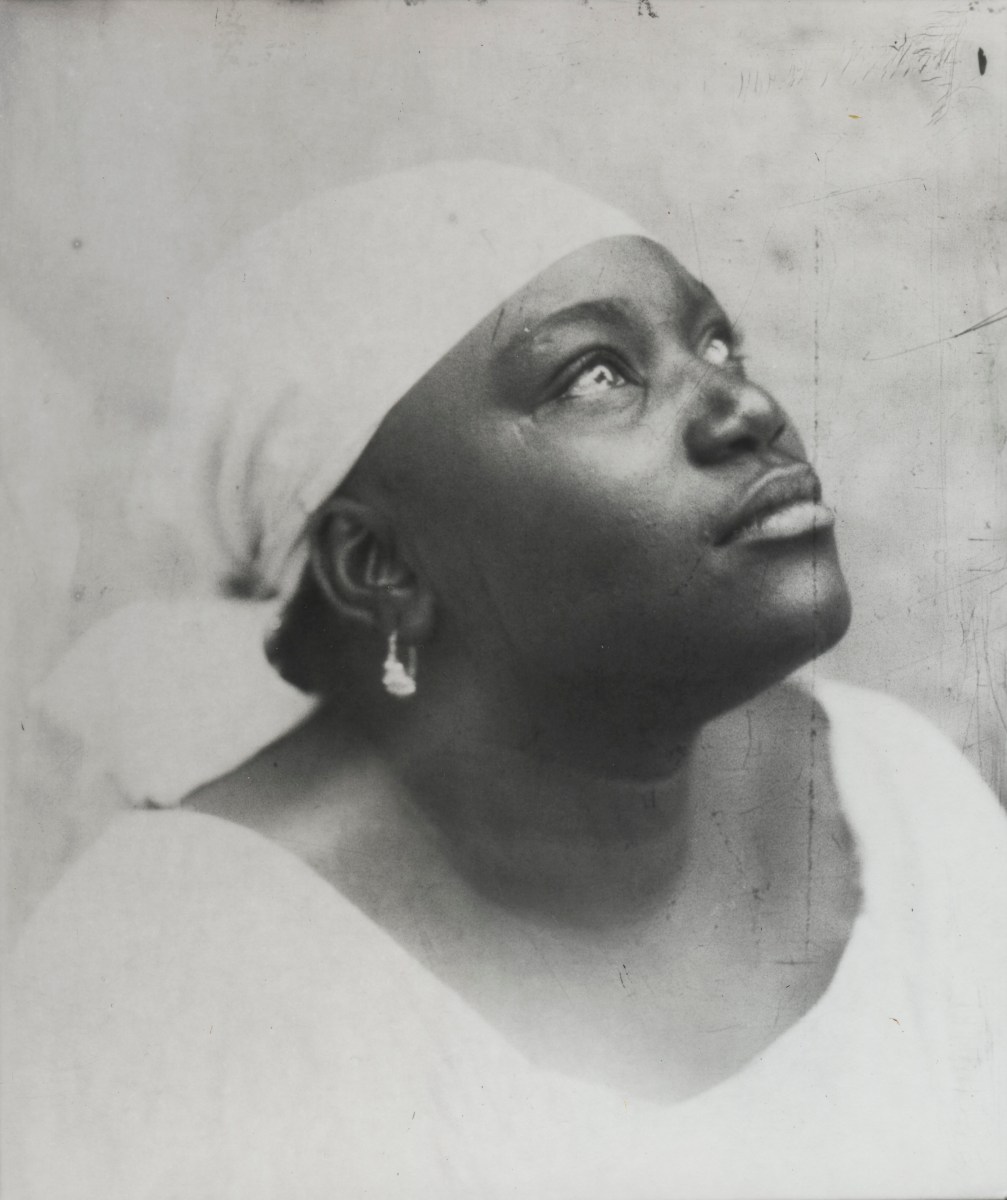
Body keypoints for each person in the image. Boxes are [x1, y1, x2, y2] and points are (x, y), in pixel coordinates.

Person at [6, 161, 1005, 1199]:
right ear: (379, 567)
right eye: (595, 376)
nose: (744, 408)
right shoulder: (167, 981)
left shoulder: (898, 799)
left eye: (715, 343)